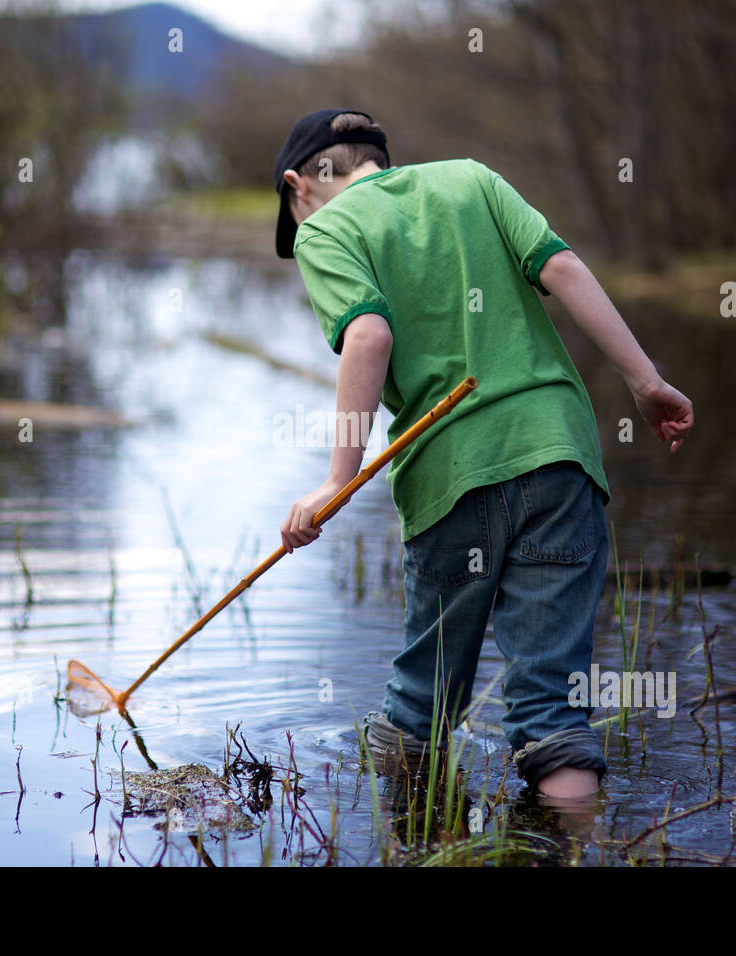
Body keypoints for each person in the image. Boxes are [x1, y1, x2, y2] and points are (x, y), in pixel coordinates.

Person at [273, 108, 693, 799]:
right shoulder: (470, 178)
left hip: (450, 477)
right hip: (558, 455)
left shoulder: (325, 229)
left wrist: (335, 482)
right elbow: (562, 266)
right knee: (551, 717)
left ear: (300, 184)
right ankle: (572, 845)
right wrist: (645, 381)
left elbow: (369, 337)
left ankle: (407, 839)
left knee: (418, 713)